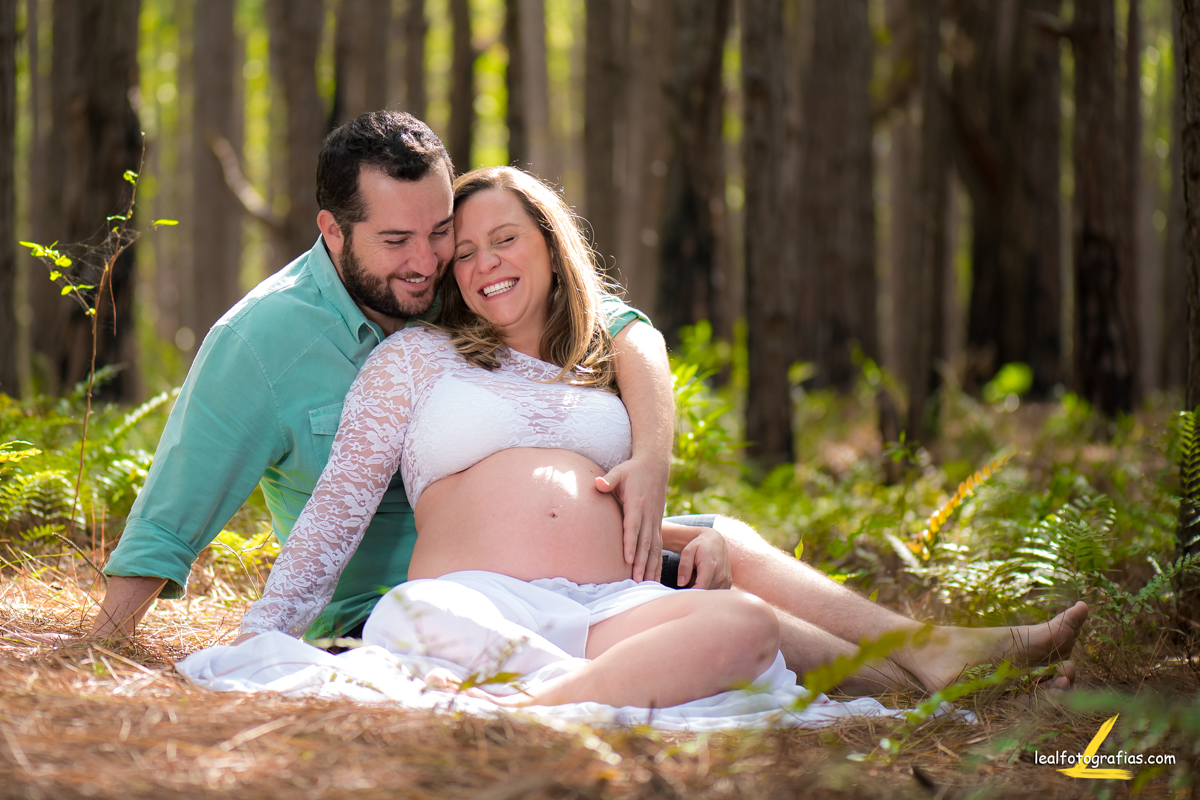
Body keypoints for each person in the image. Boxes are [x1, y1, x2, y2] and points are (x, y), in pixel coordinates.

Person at [94, 109, 1087, 697]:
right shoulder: (265, 340)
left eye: (444, 232)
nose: (434, 260)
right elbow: (248, 505)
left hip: (601, 585)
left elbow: (626, 324)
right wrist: (112, 638)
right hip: (425, 604)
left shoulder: (466, 287)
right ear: (332, 229)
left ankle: (936, 663)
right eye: (399, 242)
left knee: (722, 543)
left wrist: (651, 456)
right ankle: (919, 683)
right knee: (734, 610)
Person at [236, 166, 788, 708]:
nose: (487, 262)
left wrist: (690, 539)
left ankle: (543, 702)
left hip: (608, 609)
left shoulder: (599, 364)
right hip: (472, 606)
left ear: (551, 246)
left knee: (749, 623)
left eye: (505, 239)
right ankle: (585, 692)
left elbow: (610, 501)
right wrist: (262, 635)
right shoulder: (414, 358)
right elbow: (336, 510)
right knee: (422, 618)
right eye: (467, 252)